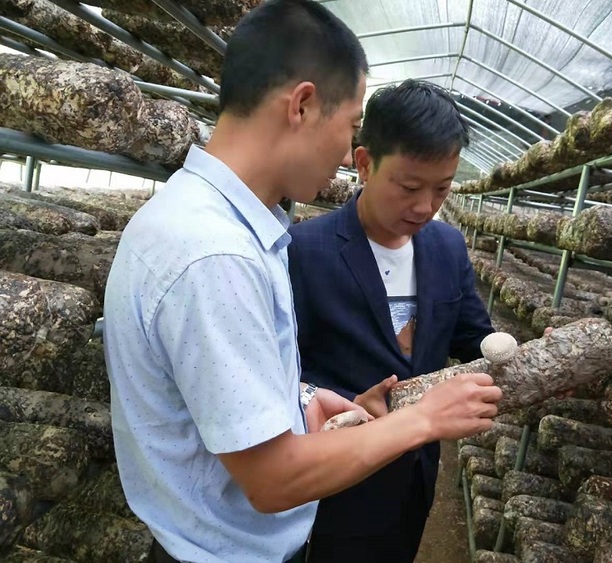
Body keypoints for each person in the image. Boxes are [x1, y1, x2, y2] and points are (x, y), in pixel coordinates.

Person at [102, 2, 503, 562]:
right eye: (349, 125)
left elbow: (214, 395)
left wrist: (302, 401)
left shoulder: (223, 228)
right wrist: (425, 418)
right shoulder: (212, 253)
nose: (346, 152)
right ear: (303, 105)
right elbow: (273, 482)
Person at [288, 79, 496, 563]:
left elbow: (474, 339)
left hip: (416, 478)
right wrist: (332, 406)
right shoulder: (308, 251)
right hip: (337, 483)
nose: (425, 206)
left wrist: (527, 355)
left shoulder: (446, 247)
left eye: (441, 189)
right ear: (364, 163)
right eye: (409, 187)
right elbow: (279, 368)